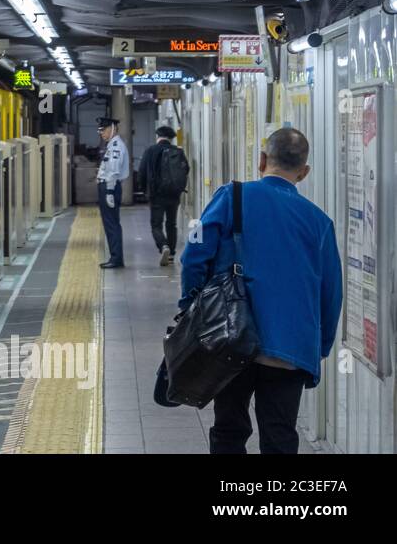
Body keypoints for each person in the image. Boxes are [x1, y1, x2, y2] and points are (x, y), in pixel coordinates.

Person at [179, 127, 342, 454]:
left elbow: (193, 254)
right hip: (291, 346)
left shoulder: (230, 196)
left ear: (262, 160)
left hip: (230, 341)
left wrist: (190, 308)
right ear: (304, 171)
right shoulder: (320, 223)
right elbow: (331, 293)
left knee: (228, 429)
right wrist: (319, 347)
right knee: (280, 435)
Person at [137, 125, 188, 266]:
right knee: (172, 224)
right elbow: (186, 170)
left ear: (158, 137)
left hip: (156, 195)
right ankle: (171, 254)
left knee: (156, 225)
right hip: (174, 194)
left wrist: (143, 190)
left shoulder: (150, 151)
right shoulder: (178, 151)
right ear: (171, 138)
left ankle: (163, 245)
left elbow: (141, 172)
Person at [95, 116, 130, 269]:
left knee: (111, 224)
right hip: (109, 187)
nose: (101, 133)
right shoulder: (112, 145)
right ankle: (115, 257)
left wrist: (109, 191)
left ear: (112, 129)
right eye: (100, 130)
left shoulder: (116, 146)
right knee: (110, 223)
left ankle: (116, 259)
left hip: (110, 187)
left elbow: (114, 171)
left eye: (103, 130)